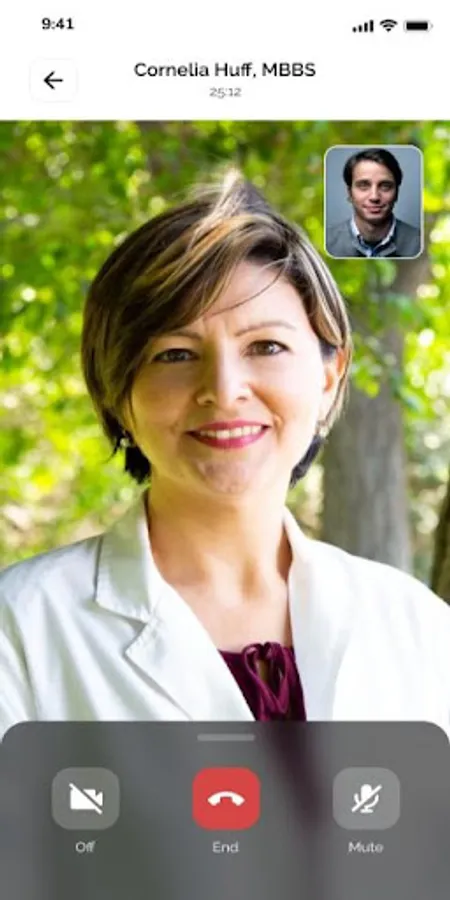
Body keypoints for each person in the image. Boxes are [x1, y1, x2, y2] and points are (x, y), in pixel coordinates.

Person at [1, 171, 449, 743]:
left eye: (266, 346)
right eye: (175, 354)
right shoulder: (20, 628)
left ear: (329, 377)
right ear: (117, 393)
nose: (224, 389)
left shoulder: (418, 627)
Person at [326, 147, 422, 258]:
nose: (374, 197)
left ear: (396, 193)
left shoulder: (418, 243)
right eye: (363, 185)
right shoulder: (327, 243)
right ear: (349, 193)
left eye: (385, 186)